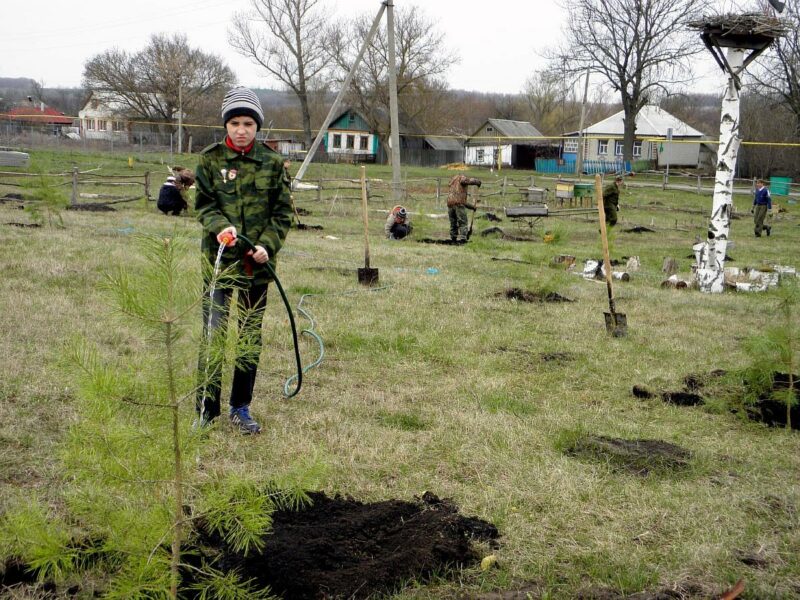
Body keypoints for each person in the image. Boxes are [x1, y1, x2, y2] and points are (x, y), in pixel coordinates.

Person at [194, 86, 293, 434]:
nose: (241, 130)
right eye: (234, 123)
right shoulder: (209, 160)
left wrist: (267, 245)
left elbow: (282, 214)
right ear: (226, 125)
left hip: (257, 268)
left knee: (249, 336)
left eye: (248, 123)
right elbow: (204, 205)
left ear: (257, 126)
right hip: (219, 264)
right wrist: (221, 228)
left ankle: (240, 407)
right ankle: (206, 410)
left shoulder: (272, 163)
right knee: (214, 334)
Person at [447, 174, 481, 243]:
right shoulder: (461, 178)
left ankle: (453, 237)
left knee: (453, 223)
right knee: (463, 222)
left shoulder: (453, 181)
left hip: (450, 203)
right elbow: (465, 180)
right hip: (458, 204)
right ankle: (463, 238)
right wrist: (477, 182)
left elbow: (463, 202)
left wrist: (472, 207)